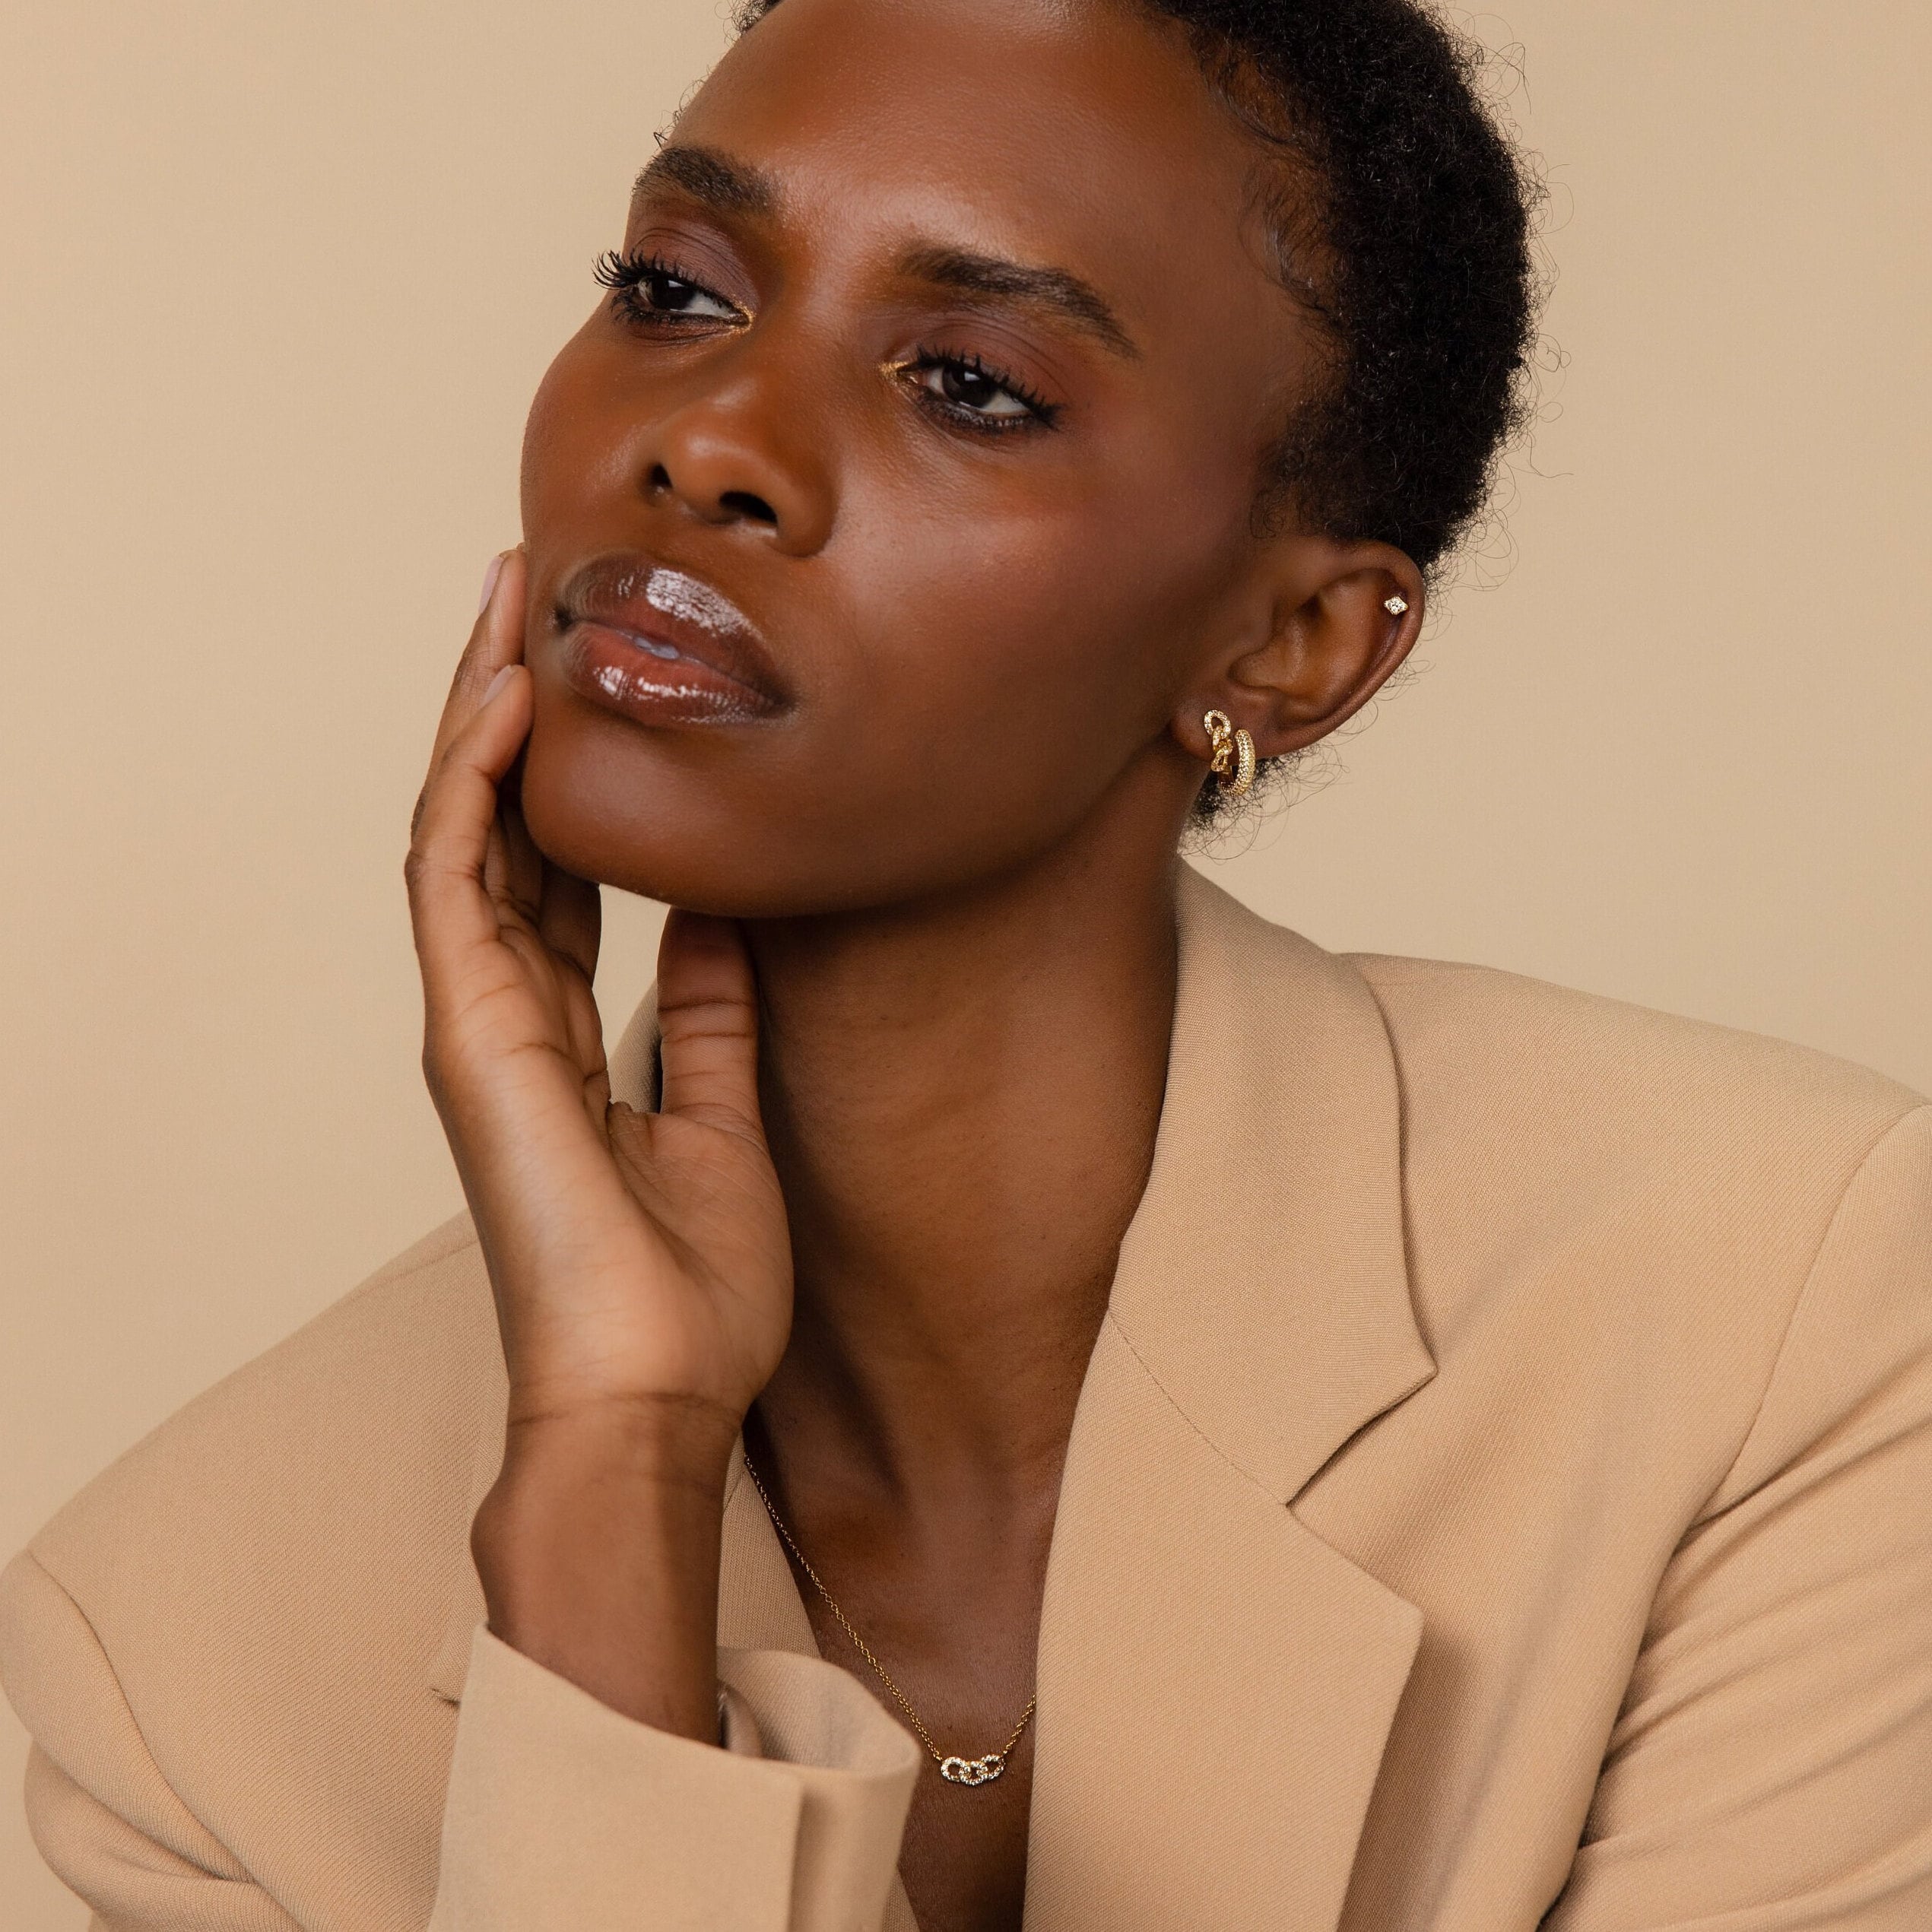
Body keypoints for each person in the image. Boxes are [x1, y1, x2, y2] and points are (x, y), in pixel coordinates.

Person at [5, 0, 1930, 1926]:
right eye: (672, 290)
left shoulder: (1776, 1314)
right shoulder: (183, 1673)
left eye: (969, 383)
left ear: (1293, 644)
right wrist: (609, 1491)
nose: (712, 441)